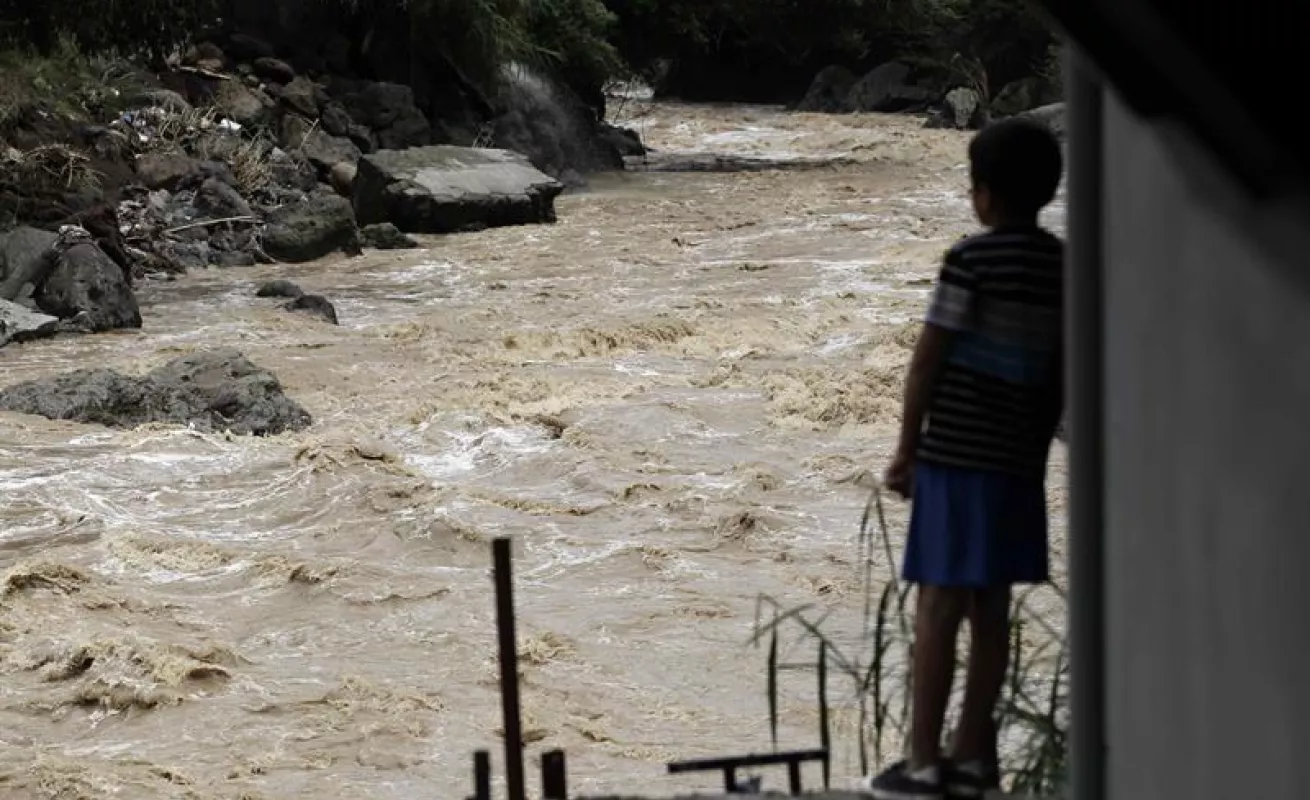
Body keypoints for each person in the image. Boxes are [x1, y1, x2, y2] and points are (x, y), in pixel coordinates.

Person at [863, 118, 1065, 800]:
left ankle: (922, 763)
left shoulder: (969, 261)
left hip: (955, 458)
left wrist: (905, 448)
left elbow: (926, 360)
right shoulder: (1061, 266)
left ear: (983, 194)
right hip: (1017, 464)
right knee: (990, 609)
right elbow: (1061, 374)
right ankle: (974, 756)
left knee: (937, 606)